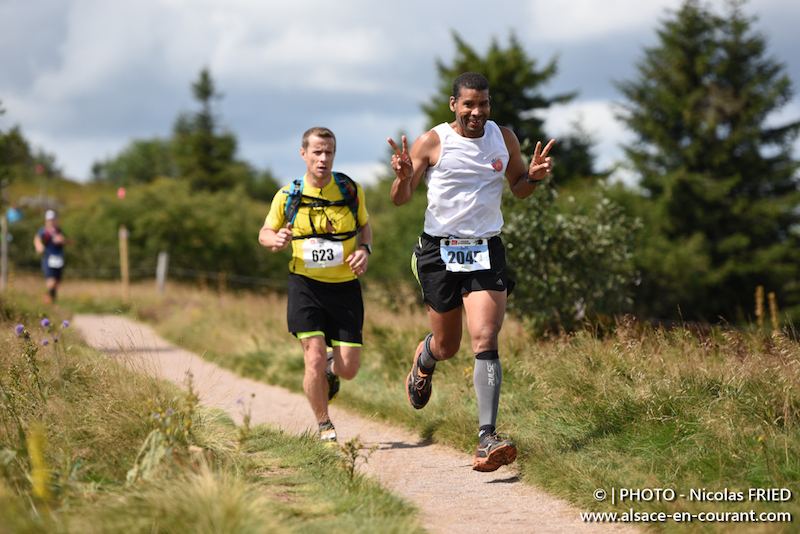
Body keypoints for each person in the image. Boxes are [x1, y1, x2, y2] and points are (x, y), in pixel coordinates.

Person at [388, 72, 555, 472]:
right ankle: (424, 360)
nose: (476, 112)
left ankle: (486, 438)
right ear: (454, 105)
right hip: (439, 251)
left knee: (485, 335)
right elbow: (401, 199)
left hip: (485, 248)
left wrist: (532, 176)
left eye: (483, 104)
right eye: (469, 105)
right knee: (448, 346)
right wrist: (400, 177)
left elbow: (517, 186)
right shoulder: (433, 141)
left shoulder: (504, 138)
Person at [258, 127, 373, 444]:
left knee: (348, 368)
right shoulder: (288, 196)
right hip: (305, 286)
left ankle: (331, 373)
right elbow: (265, 232)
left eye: (329, 152)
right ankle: (324, 425)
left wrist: (364, 250)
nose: (323, 158)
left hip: (345, 287)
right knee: (314, 357)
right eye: (317, 152)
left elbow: (365, 227)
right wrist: (276, 239)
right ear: (303, 154)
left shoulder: (350, 190)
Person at [33, 209, 68, 305]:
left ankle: (52, 302)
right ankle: (47, 299)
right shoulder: (44, 230)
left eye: (52, 219)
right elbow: (37, 239)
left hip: (59, 258)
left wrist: (62, 240)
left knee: (56, 283)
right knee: (51, 281)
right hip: (48, 257)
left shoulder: (60, 230)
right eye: (49, 220)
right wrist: (39, 246)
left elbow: (69, 240)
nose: (50, 222)